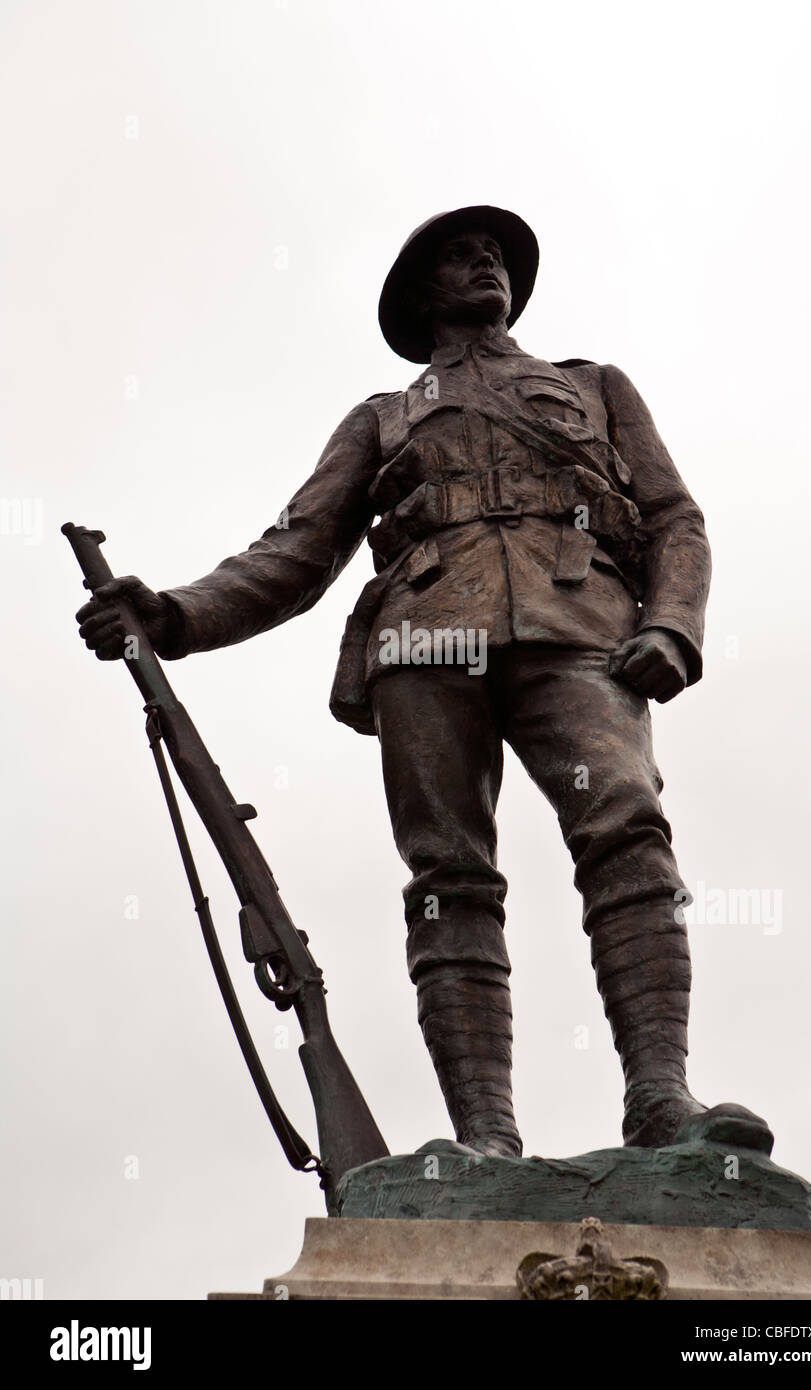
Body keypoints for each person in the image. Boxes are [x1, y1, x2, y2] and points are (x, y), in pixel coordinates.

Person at [76, 206, 772, 1158]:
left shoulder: (596, 386)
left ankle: (661, 1098)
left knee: (626, 828)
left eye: (494, 254)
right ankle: (486, 1138)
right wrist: (177, 614)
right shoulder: (382, 418)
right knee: (448, 877)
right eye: (460, 254)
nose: (485, 262)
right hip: (424, 642)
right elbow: (296, 552)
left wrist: (673, 626)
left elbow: (674, 518)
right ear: (419, 295)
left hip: (579, 631)